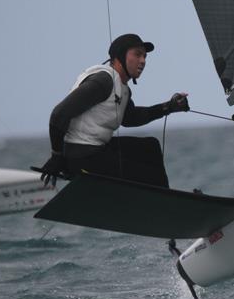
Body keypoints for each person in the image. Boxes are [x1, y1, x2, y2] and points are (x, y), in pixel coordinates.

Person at [38, 33, 189, 187]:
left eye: (144, 56)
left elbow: (130, 118)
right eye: (137, 54)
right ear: (119, 57)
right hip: (81, 156)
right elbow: (59, 114)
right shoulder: (103, 81)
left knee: (150, 147)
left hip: (97, 151)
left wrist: (168, 107)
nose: (143, 61)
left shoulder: (122, 87)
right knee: (149, 176)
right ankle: (163, 204)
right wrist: (56, 156)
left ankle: (160, 199)